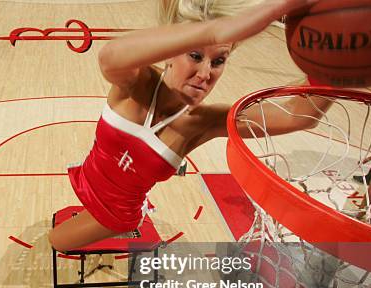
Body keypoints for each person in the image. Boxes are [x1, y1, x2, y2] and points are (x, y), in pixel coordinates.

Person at [48, 0, 332, 252]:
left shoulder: (203, 123)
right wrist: (213, 31)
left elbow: (299, 115)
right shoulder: (138, 82)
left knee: (55, 241)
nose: (205, 74)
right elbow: (109, 56)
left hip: (116, 214)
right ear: (171, 50)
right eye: (195, 56)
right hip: (87, 176)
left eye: (218, 61)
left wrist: (336, 62)